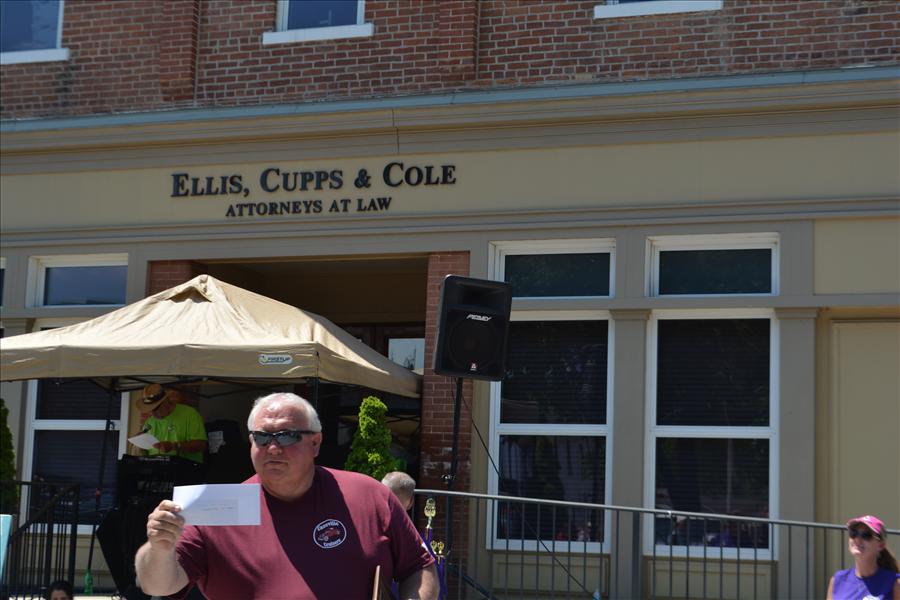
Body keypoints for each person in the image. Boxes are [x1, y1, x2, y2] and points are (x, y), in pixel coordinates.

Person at [136, 392, 438, 599]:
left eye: (287, 435)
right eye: (262, 437)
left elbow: (418, 565)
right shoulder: (217, 507)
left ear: (316, 443)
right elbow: (158, 585)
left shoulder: (368, 495)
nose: (273, 447)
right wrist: (159, 548)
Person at [827, 514, 900, 600]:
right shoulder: (837, 580)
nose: (857, 539)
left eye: (866, 535)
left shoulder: (894, 583)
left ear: (881, 545)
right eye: (853, 533)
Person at [136, 383, 207, 464]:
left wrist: (174, 446)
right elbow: (146, 453)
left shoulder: (190, 414)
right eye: (149, 410)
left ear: (165, 402)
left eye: (155, 408)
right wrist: (140, 443)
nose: (153, 413)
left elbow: (201, 445)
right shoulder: (150, 421)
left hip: (185, 469)